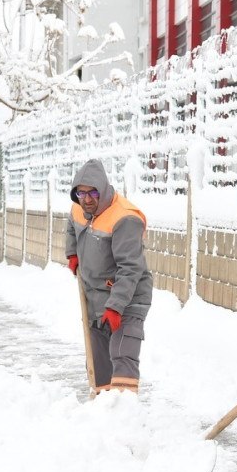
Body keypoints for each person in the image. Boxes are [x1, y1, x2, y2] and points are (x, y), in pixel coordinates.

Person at [66, 158, 153, 393]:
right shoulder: (79, 208)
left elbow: (130, 268)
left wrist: (115, 307)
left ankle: (124, 406)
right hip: (95, 297)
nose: (87, 199)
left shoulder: (125, 218)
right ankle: (102, 407)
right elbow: (71, 225)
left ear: (102, 190)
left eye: (93, 192)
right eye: (81, 193)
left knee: (122, 355)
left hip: (129, 297)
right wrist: (72, 253)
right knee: (98, 365)